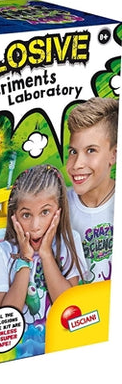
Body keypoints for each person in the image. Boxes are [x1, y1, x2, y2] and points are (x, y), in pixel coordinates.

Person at [0, 165, 86, 326]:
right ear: (14, 216)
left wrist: (46, 254)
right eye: (26, 215)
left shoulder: (70, 241)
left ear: (59, 211)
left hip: (61, 336)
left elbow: (69, 307)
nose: (35, 226)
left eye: (45, 212)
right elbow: (4, 320)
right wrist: (25, 259)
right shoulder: (2, 252)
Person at [65, 97, 118, 282]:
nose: (77, 164)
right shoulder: (58, 207)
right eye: (73, 152)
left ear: (114, 155)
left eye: (91, 150)